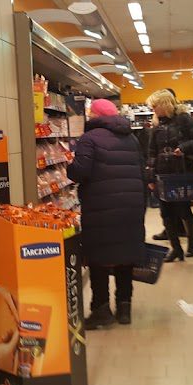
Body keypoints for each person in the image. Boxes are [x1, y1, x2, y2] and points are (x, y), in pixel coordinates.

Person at [67, 98, 146, 328]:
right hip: (130, 205)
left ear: (95, 115)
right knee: (125, 257)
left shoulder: (89, 138)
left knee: (99, 259)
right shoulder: (131, 138)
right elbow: (142, 172)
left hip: (100, 206)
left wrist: (70, 166)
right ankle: (124, 308)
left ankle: (101, 309)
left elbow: (80, 172)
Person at [145, 89, 193, 262]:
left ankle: (192, 244)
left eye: (155, 105)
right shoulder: (156, 125)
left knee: (184, 210)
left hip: (181, 171)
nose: (153, 109)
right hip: (163, 174)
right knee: (165, 213)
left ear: (164, 104)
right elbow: (152, 152)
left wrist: (183, 148)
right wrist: (150, 177)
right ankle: (176, 248)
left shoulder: (184, 119)